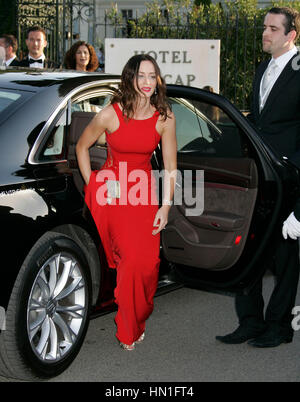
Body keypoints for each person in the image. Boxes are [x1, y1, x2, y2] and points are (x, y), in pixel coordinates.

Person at [76, 54, 177, 350]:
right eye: (141, 76)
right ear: (130, 78)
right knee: (131, 263)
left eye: (151, 76)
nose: (146, 82)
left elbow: (170, 166)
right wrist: (94, 183)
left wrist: (166, 206)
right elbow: (82, 147)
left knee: (148, 267)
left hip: (144, 194)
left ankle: (139, 315)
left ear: (157, 80)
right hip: (115, 194)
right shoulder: (111, 113)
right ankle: (127, 330)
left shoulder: (164, 117)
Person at [216, 7, 300, 348]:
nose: (265, 33)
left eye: (273, 28)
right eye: (264, 27)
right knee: (248, 249)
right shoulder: (264, 67)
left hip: (290, 177)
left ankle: (279, 326)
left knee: (284, 257)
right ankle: (250, 321)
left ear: (291, 35)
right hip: (260, 176)